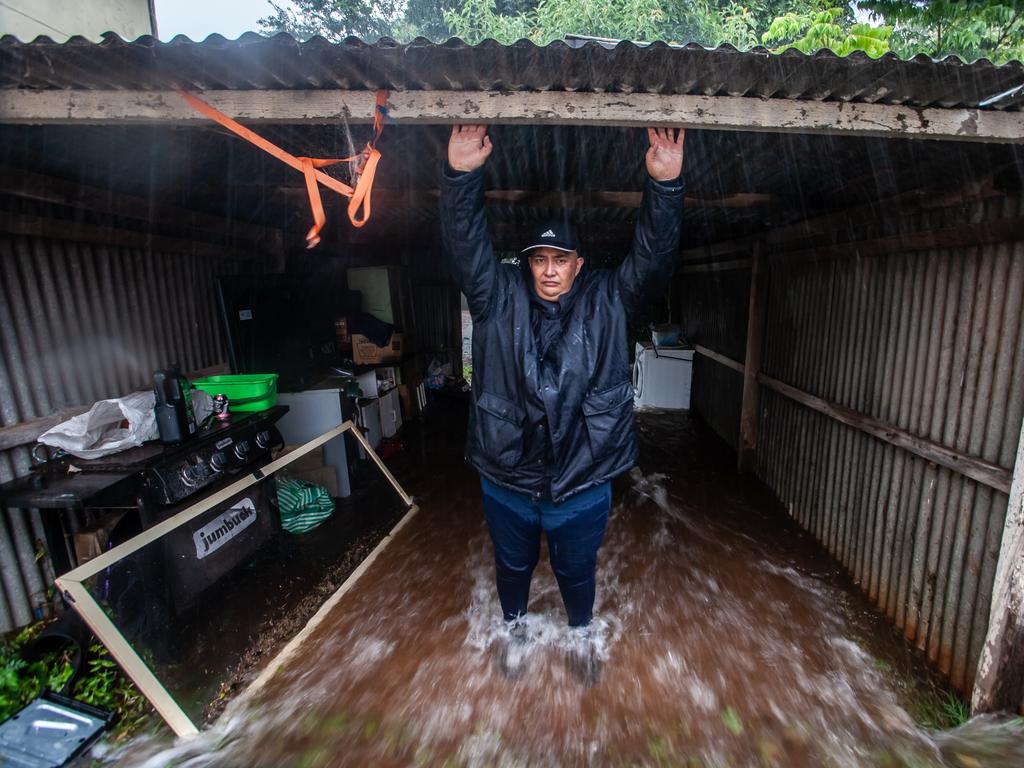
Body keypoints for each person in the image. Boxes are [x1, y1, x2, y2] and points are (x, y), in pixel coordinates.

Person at [440, 124, 686, 682]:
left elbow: (652, 260)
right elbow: (465, 246)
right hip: (508, 475)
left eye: (561, 258)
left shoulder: (610, 299)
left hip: (583, 477)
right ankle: (516, 632)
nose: (549, 270)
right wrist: (459, 177)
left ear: (579, 262)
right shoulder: (495, 297)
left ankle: (580, 638)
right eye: (539, 259)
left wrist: (666, 189)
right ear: (527, 264)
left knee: (578, 571)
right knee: (512, 567)